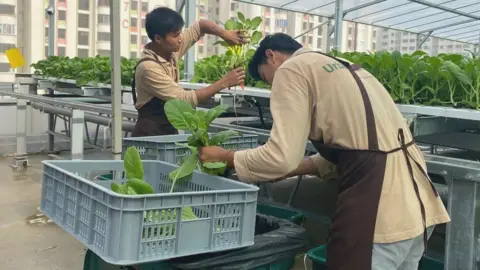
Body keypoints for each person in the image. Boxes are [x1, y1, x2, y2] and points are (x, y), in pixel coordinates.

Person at [198, 33, 450, 270]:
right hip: (419, 205)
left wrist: (226, 157)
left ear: (271, 55)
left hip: (380, 211)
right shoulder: (345, 65)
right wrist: (294, 169)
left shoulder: (291, 69)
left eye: (267, 79)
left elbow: (281, 157)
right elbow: (359, 147)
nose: (273, 86)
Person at [131, 7, 246, 137]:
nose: (180, 38)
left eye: (180, 33)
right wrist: (224, 82)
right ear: (158, 39)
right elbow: (184, 99)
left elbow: (200, 26)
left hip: (167, 131)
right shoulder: (149, 68)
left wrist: (225, 34)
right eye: (175, 35)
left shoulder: (170, 50)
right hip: (149, 135)